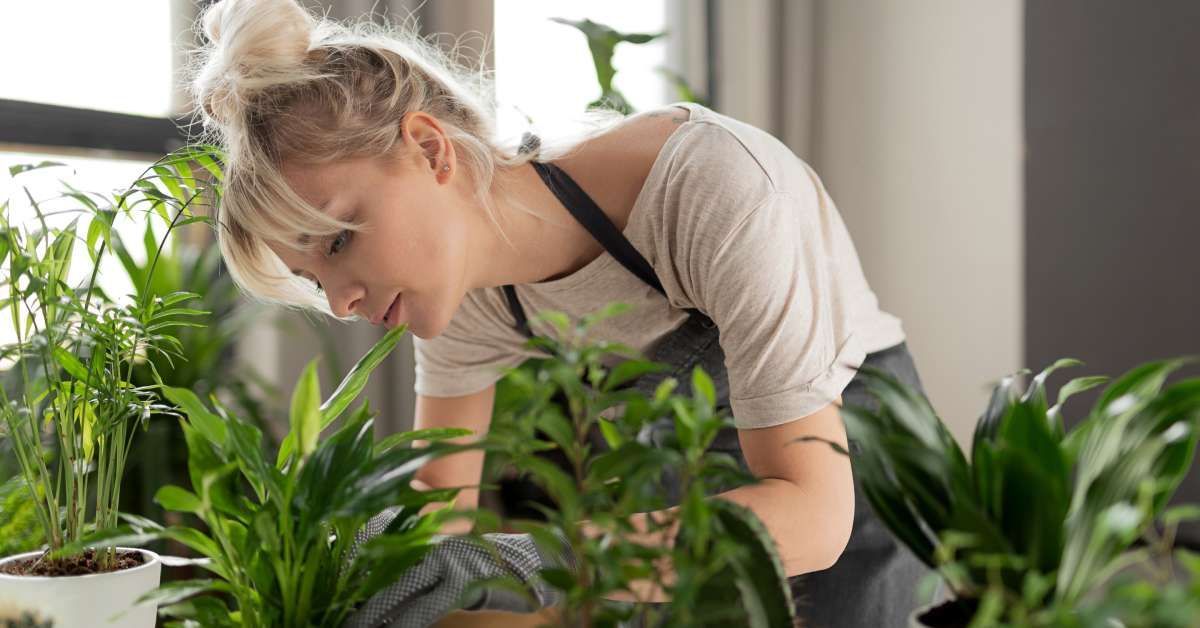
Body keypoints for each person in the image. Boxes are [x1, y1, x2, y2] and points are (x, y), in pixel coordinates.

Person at [189, 0, 932, 626]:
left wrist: (529, 559)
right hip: (691, 482)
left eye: (341, 239)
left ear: (428, 149)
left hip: (848, 478)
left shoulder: (712, 190)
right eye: (313, 279)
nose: (344, 302)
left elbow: (812, 514)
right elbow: (439, 510)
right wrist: (368, 567)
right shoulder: (464, 297)